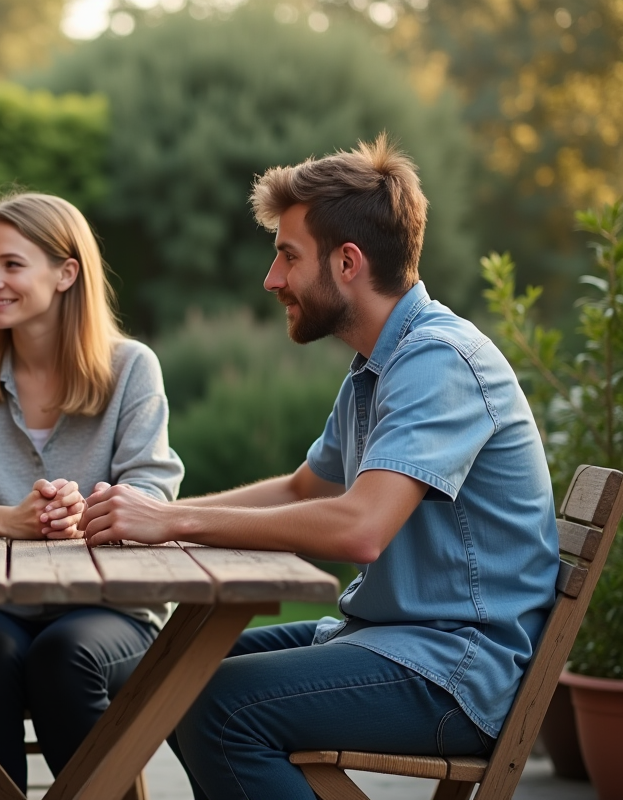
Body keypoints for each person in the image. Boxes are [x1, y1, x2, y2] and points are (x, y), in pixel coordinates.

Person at [80, 135, 560, 799]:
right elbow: (303, 488)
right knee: (152, 676)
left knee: (218, 707)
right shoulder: (378, 366)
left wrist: (170, 522)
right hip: (388, 638)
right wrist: (153, 519)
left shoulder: (439, 361)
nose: (272, 280)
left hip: (453, 670)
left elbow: (360, 528)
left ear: (348, 262)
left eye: (286, 255)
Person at [0, 192, 184, 799]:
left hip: (112, 612)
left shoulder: (132, 369)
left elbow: (151, 489)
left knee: (63, 657)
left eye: (11, 265)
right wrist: (9, 521)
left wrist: (88, 511)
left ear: (66, 272)